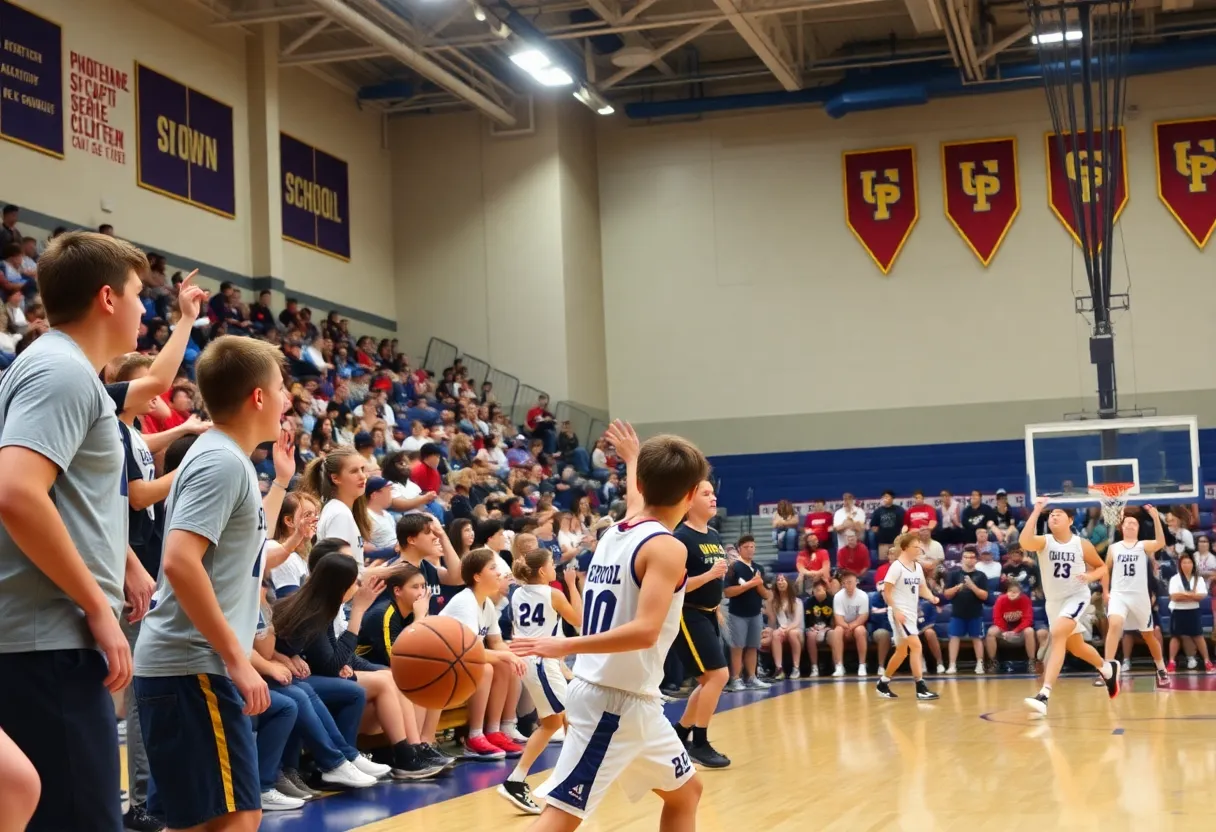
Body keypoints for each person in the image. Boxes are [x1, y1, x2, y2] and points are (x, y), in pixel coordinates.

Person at [0, 232, 154, 832]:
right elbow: (16, 492)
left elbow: (69, 498)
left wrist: (123, 563)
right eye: (140, 295)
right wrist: (94, 603)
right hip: (47, 639)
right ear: (109, 298)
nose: (146, 308)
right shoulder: (61, 370)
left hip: (47, 636)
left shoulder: (61, 369)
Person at [509, 421, 707, 830]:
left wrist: (634, 457)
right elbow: (645, 631)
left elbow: (639, 499)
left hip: (635, 700)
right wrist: (565, 645)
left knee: (686, 792)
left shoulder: (619, 530)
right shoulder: (668, 547)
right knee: (561, 817)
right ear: (690, 496)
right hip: (613, 702)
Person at [132, 336, 295, 832]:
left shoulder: (227, 459)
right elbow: (181, 563)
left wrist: (283, 481)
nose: (289, 397)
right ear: (259, 397)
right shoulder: (221, 462)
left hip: (187, 665)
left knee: (204, 820)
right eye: (282, 386)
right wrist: (235, 658)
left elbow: (244, 553)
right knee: (236, 818)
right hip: (192, 665)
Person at [498, 549, 583, 814]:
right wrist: (572, 585)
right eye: (552, 565)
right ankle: (572, 778)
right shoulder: (553, 594)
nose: (556, 568)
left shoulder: (517, 594)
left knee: (552, 723)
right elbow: (580, 621)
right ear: (543, 571)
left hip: (533, 662)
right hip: (541, 663)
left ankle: (517, 779)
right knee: (570, 718)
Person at [1019, 499, 1118, 716]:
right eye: (1051, 514)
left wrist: (1090, 576)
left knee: (1057, 634)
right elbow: (1024, 541)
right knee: (1076, 647)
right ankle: (1107, 668)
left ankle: (1044, 695)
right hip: (1053, 602)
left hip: (1076, 596)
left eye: (1059, 514)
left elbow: (1102, 568)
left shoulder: (1081, 544)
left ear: (1070, 520)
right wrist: (1036, 511)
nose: (1053, 516)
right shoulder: (1044, 542)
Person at [440, 548, 528, 759]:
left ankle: (498, 729)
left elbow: (496, 642)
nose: (499, 573)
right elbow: (470, 651)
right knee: (487, 668)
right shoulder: (465, 602)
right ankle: (474, 736)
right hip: (443, 665)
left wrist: (513, 656)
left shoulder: (486, 602)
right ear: (477, 576)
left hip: (464, 662)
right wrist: (506, 656)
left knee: (508, 663)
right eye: (493, 568)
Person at [670, 475, 732, 768]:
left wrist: (716, 601)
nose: (713, 498)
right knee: (718, 677)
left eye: (712, 493)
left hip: (708, 612)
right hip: (687, 613)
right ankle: (700, 742)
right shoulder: (681, 538)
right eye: (706, 494)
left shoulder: (713, 535)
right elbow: (673, 585)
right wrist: (708, 576)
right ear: (689, 501)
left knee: (708, 680)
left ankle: (680, 733)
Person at [1101, 505, 1170, 689]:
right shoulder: (1114, 548)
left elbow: (1160, 542)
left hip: (1140, 597)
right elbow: (1105, 571)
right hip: (1119, 595)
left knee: (1148, 635)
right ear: (1121, 528)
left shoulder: (1143, 545)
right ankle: (1108, 669)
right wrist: (1105, 591)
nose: (1131, 525)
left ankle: (1161, 668)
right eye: (1127, 523)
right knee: (1114, 625)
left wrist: (1156, 516)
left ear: (1138, 529)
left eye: (1134, 523)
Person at [876, 533, 941, 700]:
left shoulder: (917, 567)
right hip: (900, 613)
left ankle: (883, 683)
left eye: (920, 546)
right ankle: (920, 687)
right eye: (915, 546)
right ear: (905, 548)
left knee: (902, 652)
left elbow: (922, 588)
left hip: (911, 614)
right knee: (917, 646)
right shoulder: (896, 567)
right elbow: (887, 591)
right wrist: (896, 610)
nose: (919, 549)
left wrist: (931, 597)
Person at [724, 535, 771, 690]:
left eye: (752, 546)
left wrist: (758, 585)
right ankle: (735, 678)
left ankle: (751, 677)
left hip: (755, 613)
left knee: (753, 646)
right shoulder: (734, 567)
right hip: (738, 613)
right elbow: (728, 592)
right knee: (737, 647)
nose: (750, 549)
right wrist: (750, 584)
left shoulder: (759, 568)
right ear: (739, 549)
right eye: (746, 547)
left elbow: (766, 595)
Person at [943, 549, 989, 674]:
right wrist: (959, 587)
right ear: (962, 559)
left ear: (976, 559)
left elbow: (984, 596)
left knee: (977, 638)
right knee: (954, 638)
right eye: (966, 557)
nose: (969, 559)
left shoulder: (981, 576)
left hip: (975, 612)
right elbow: (946, 594)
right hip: (958, 612)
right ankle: (952, 665)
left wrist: (972, 586)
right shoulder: (953, 574)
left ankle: (980, 664)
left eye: (972, 557)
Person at [1167, 552, 1213, 673]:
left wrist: (1185, 595)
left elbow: (1201, 596)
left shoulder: (1199, 579)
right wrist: (1191, 594)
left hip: (1193, 610)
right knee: (1175, 637)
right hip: (1178, 610)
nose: (1186, 565)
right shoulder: (1174, 579)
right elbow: (1174, 596)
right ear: (1180, 564)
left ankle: (1207, 661)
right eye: (1184, 562)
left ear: (1193, 564)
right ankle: (1171, 662)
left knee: (1198, 636)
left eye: (1189, 562)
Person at [766, 573, 805, 680]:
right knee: (775, 633)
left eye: (783, 580)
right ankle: (779, 669)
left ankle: (796, 667)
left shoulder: (797, 601)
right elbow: (772, 621)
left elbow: (797, 622)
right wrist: (769, 602)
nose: (780, 582)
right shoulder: (775, 603)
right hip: (782, 630)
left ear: (788, 583)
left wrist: (786, 630)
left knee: (792, 633)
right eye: (778, 580)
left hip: (797, 631)